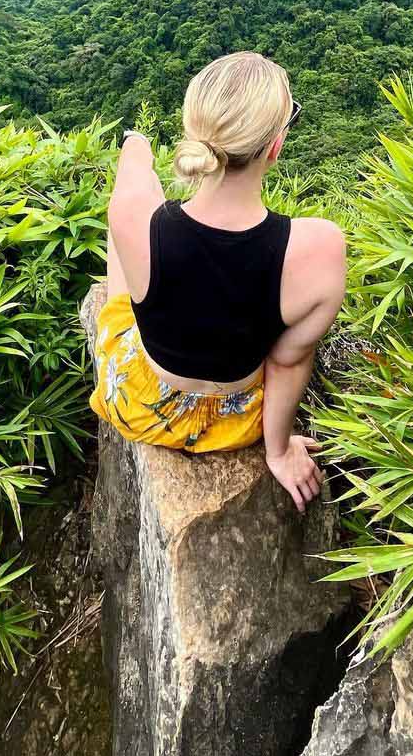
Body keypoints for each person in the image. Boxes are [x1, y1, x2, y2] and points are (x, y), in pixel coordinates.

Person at [89, 51, 347, 513]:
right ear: (275, 147)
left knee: (129, 230)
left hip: (140, 404)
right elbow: (287, 363)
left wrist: (136, 142)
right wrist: (278, 451)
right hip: (236, 422)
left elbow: (133, 171)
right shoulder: (319, 249)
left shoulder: (138, 215)